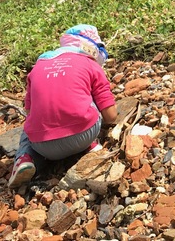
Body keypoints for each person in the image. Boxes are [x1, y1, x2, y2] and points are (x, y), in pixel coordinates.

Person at [8, 24, 118, 189]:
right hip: (83, 135)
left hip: (43, 147)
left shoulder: (38, 66)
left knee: (30, 127)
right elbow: (111, 116)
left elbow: (29, 111)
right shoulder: (91, 65)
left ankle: (24, 159)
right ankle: (89, 146)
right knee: (88, 99)